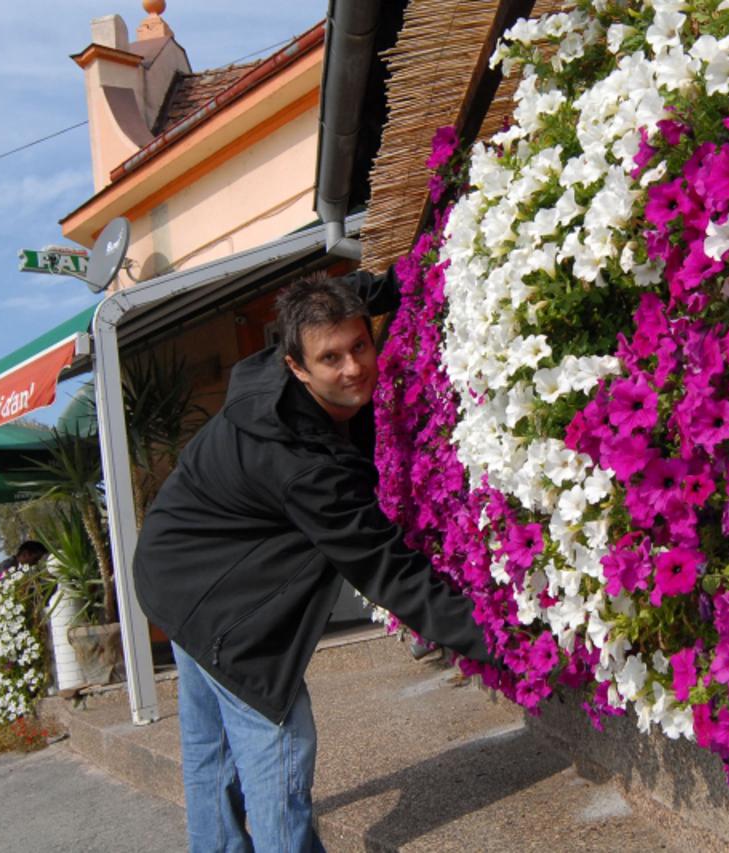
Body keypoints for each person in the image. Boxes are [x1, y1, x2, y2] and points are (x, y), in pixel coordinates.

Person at [133, 272, 491, 853]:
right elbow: (387, 571)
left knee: (209, 752)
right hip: (213, 601)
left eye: (359, 346)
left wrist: (396, 284)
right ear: (297, 367)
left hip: (170, 566)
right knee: (278, 747)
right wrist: (496, 638)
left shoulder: (272, 366)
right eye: (331, 359)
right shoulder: (305, 465)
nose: (353, 368)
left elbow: (346, 296)